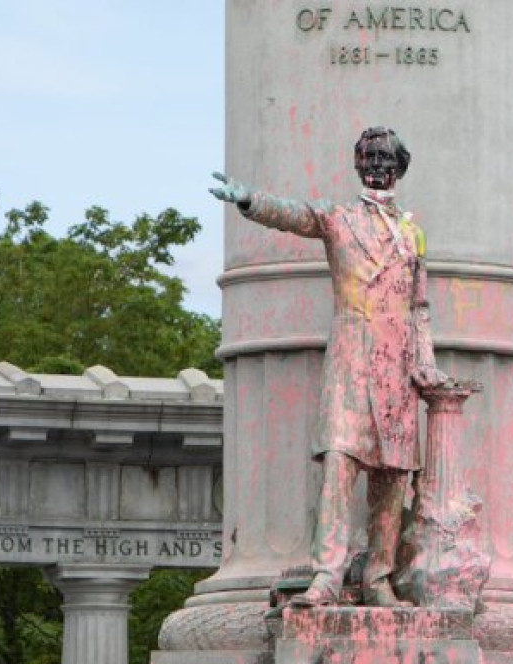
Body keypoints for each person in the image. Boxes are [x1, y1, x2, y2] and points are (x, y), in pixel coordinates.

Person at [210, 127, 446, 607]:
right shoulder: (340, 220)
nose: (378, 166)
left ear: (399, 167)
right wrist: (250, 200)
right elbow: (298, 216)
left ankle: (379, 577)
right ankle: (328, 576)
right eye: (370, 157)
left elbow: (419, 307)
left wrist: (425, 364)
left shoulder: (412, 232)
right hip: (352, 364)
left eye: (385, 158)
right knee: (340, 465)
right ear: (359, 166)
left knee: (393, 479)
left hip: (398, 372)